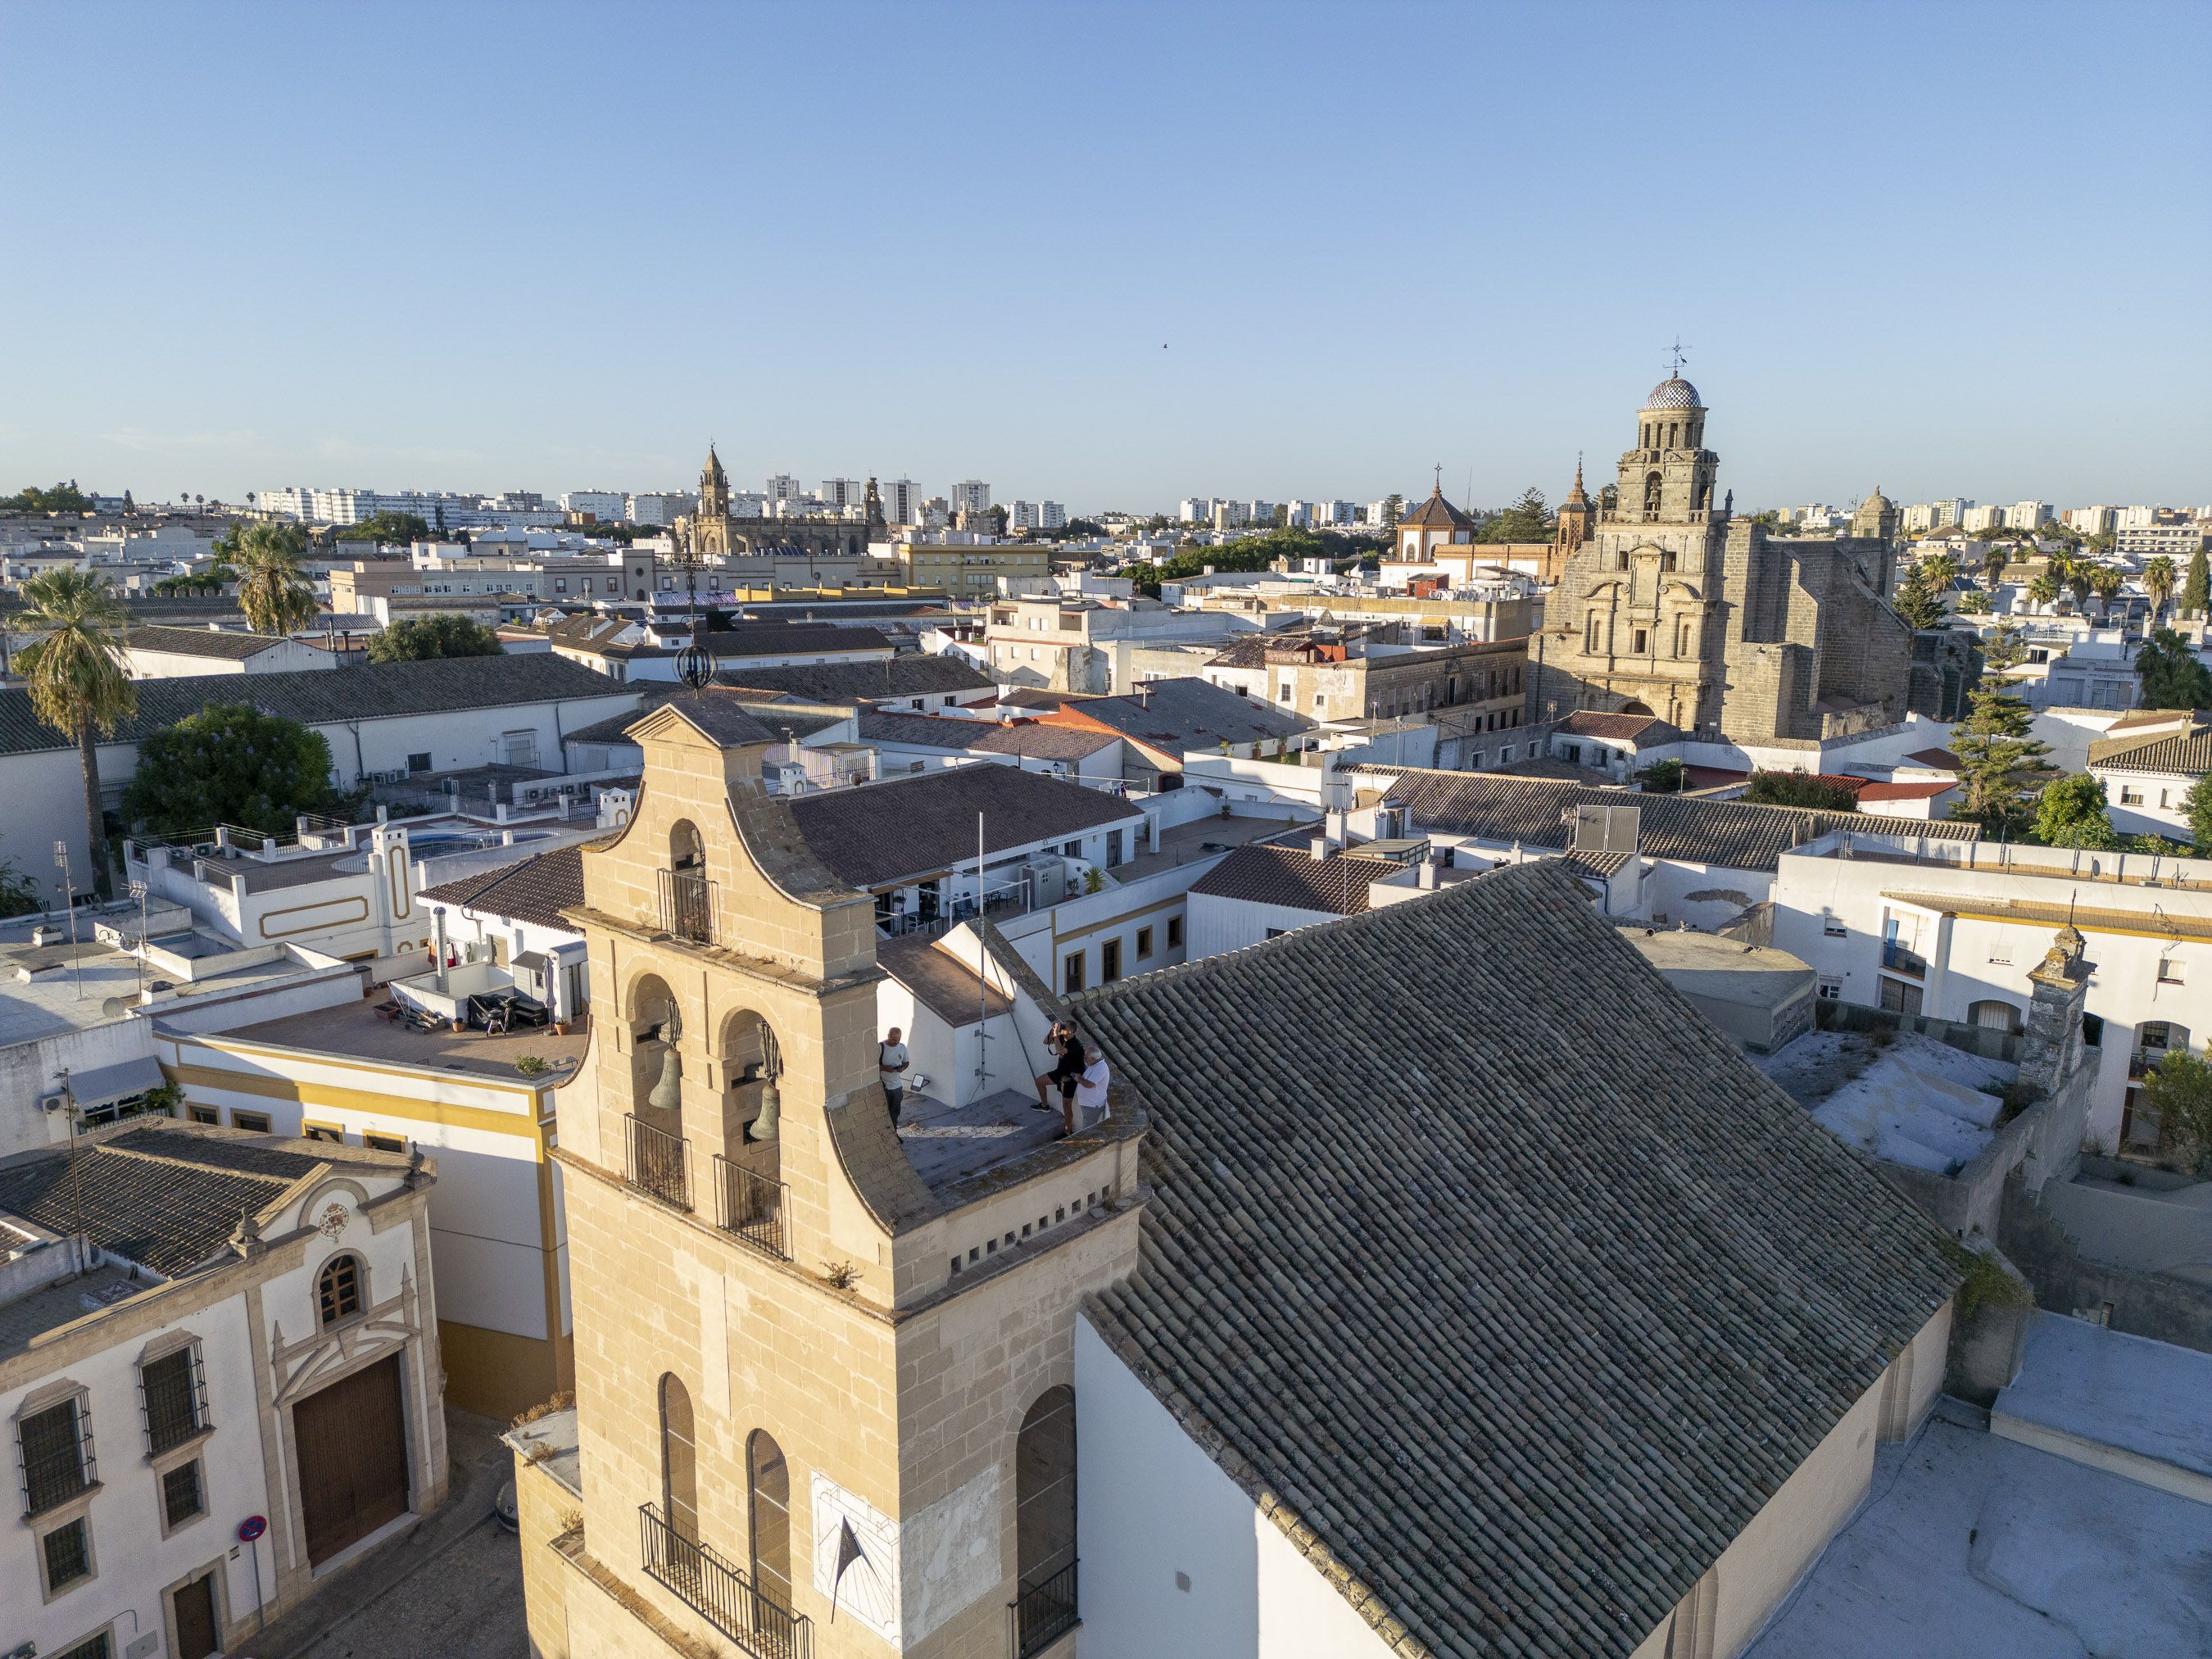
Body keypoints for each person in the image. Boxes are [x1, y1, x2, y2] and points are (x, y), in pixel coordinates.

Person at [1034, 1021, 1081, 1122]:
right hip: (1060, 1072)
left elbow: (1060, 1051)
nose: (1062, 1029)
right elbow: (1046, 1042)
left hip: (1070, 1078)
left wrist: (1056, 1036)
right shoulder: (1061, 1037)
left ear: (1071, 1031)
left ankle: (1067, 1131)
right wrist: (1053, 1030)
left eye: (1065, 1028)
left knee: (1066, 1106)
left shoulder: (1075, 1044)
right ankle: (1044, 1105)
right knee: (1039, 1082)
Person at [1073, 1047, 1112, 1132]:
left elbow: (1089, 1084)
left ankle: (1086, 1144)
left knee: (1088, 1130)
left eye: (1086, 1058)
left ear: (1093, 1058)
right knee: (1088, 1127)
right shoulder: (1094, 1064)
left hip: (1092, 1105)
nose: (1084, 1060)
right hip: (1089, 1103)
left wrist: (1079, 1078)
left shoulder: (1101, 1068)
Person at [878, 1027, 909, 1127]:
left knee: (895, 1114)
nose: (896, 1042)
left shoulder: (902, 1047)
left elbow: (906, 1062)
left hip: (897, 1087)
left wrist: (902, 1068)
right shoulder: (880, 1047)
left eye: (898, 1040)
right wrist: (884, 1068)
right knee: (883, 1114)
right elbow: (871, 1067)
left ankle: (894, 1133)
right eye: (894, 1039)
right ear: (888, 1036)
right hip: (884, 1087)